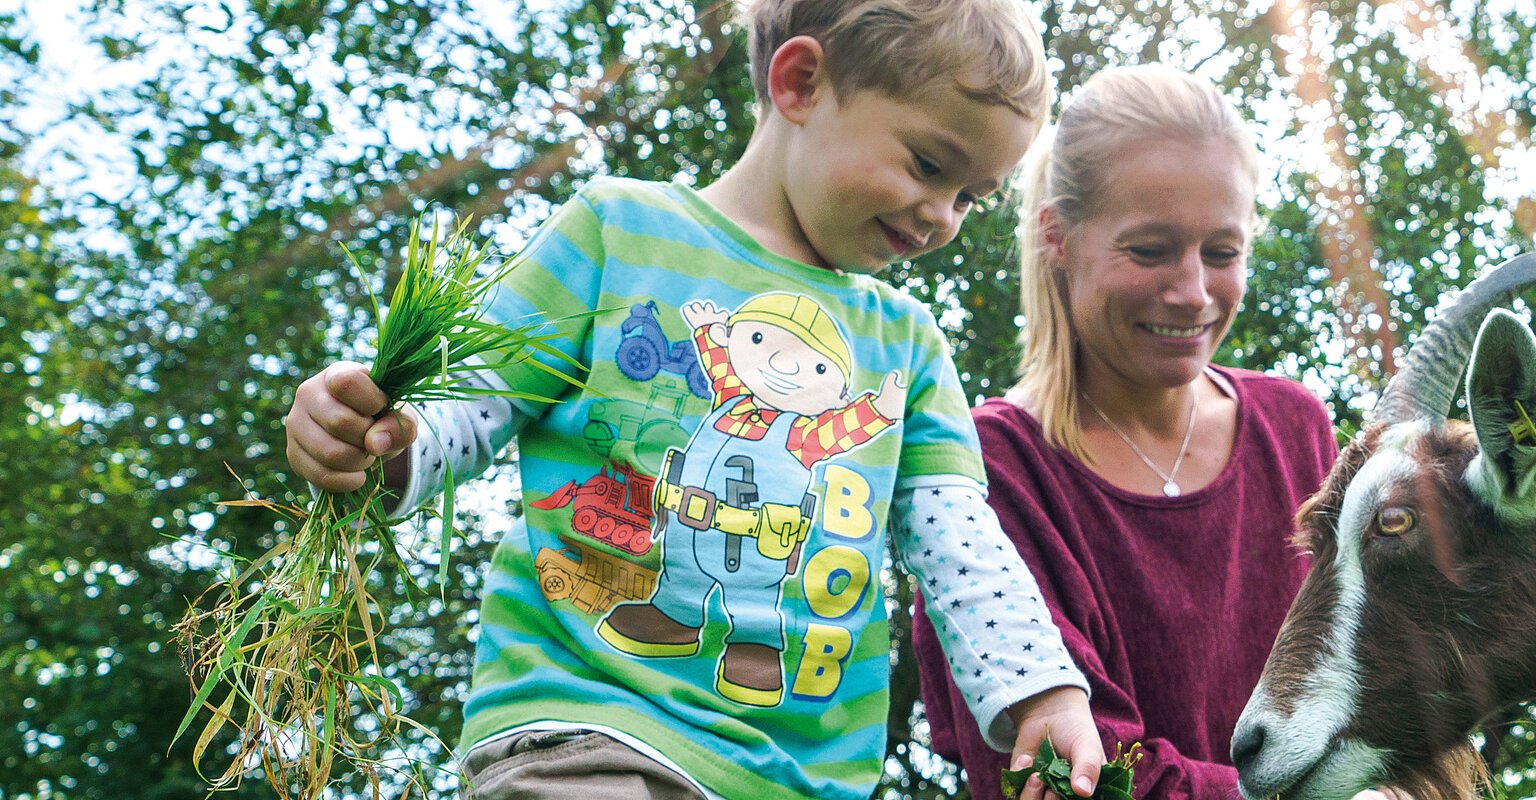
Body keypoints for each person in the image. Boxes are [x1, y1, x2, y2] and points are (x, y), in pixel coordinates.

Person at [278, 0, 1107, 797]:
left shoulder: (908, 347)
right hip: (588, 727)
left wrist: (1042, 690)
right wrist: (380, 442)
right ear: (802, 84)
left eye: (971, 196)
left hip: (798, 777)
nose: (942, 219)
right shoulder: (618, 232)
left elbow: (961, 544)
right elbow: (472, 403)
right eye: (929, 166)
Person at [910, 64, 1398, 800]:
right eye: (1150, 250)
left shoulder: (1295, 427)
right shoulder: (985, 468)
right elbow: (1062, 773)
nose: (1194, 293)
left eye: (1223, 252)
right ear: (1057, 238)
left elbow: (1371, 681)